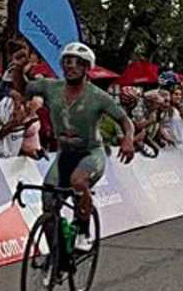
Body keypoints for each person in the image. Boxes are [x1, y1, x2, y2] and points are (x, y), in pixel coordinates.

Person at [11, 41, 135, 252]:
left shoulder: (98, 97)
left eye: (77, 63)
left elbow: (125, 121)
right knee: (48, 203)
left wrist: (128, 139)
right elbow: (22, 89)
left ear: (87, 68)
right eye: (67, 63)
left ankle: (84, 232)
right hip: (64, 156)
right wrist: (17, 68)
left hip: (90, 155)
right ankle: (58, 257)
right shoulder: (51, 87)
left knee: (78, 181)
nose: (71, 67)